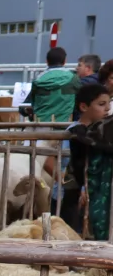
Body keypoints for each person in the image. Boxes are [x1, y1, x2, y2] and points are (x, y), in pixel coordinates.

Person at [69, 85, 113, 240]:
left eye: (109, 103)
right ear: (84, 106)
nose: (107, 109)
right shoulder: (75, 132)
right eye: (101, 104)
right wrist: (82, 187)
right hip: (78, 191)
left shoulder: (103, 130)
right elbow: (74, 164)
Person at [22, 47, 80, 124]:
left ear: (47, 61)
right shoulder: (73, 79)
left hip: (41, 126)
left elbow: (26, 105)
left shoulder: (38, 80)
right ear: (65, 61)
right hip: (65, 125)